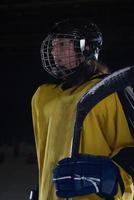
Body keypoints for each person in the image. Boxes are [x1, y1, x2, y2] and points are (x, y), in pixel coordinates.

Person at [31, 18, 134, 200]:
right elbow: (48, 157)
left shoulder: (110, 91)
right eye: (53, 46)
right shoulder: (44, 98)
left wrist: (109, 177)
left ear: (86, 48)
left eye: (62, 44)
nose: (55, 52)